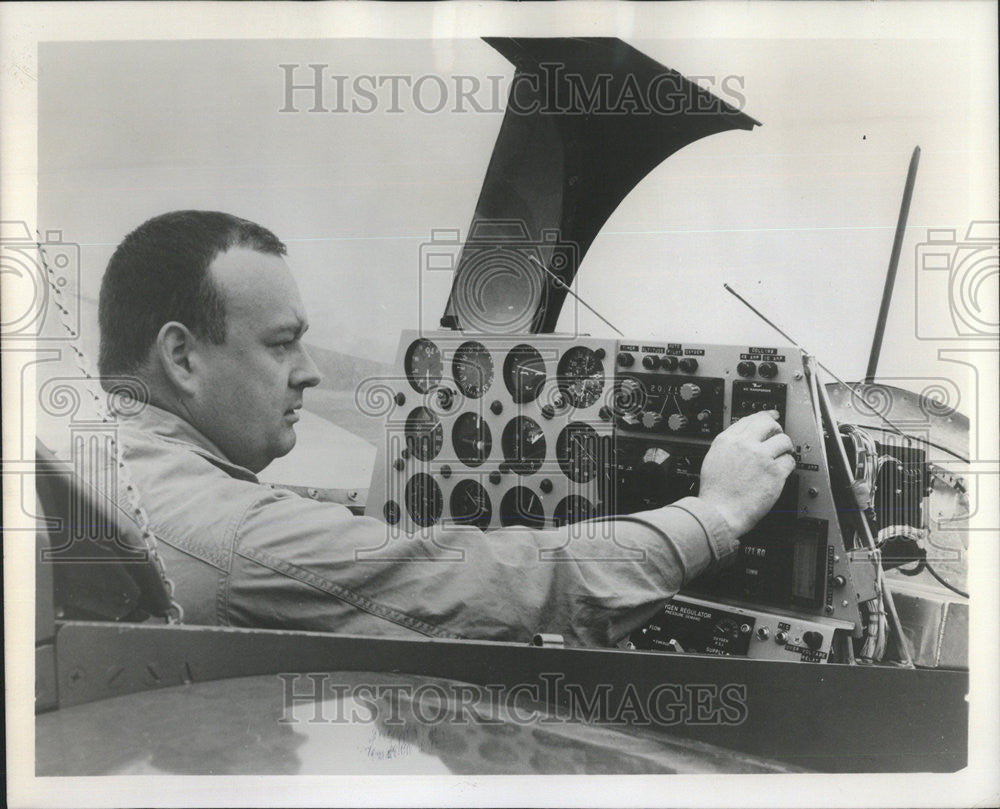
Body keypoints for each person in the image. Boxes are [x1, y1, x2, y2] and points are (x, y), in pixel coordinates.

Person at [97, 210, 796, 646]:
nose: (308, 372)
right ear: (182, 356)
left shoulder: (102, 456)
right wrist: (714, 512)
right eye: (281, 344)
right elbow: (505, 585)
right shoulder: (244, 537)